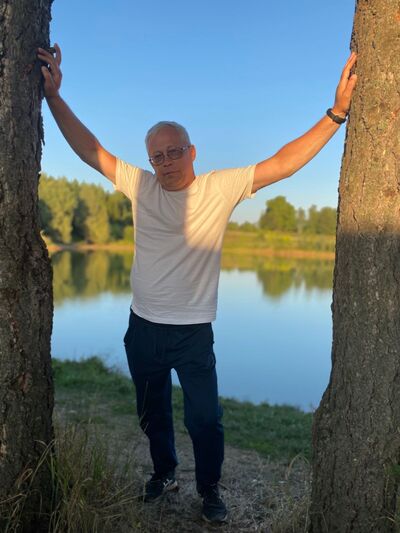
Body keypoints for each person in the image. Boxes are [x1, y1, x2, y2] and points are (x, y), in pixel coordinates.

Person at [37, 43, 357, 524]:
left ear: (192, 152)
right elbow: (90, 149)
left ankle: (209, 489)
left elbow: (283, 162)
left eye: (174, 152)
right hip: (143, 328)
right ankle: (164, 472)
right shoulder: (141, 186)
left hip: (192, 333)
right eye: (157, 156)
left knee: (205, 419)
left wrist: (336, 114)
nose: (166, 162)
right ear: (150, 160)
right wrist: (55, 98)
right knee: (152, 415)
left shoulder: (218, 188)